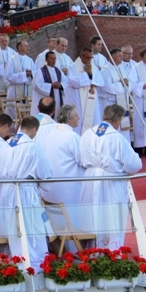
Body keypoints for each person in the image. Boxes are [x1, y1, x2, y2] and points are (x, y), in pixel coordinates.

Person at [80, 104, 142, 249]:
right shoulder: (117, 138)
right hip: (111, 182)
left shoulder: (88, 133)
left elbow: (80, 156)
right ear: (118, 120)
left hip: (90, 178)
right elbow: (134, 164)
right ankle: (111, 251)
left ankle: (91, 250)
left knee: (91, 215)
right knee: (111, 217)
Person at [0, 116, 53, 269]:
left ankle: (14, 263)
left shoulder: (7, 144)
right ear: (34, 130)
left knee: (13, 229)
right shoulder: (32, 146)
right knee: (31, 229)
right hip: (25, 192)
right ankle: (32, 266)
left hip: (7, 191)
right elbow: (46, 174)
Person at [39, 105, 85, 245]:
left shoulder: (51, 133)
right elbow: (83, 160)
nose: (79, 118)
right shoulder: (72, 137)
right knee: (74, 220)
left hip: (51, 190)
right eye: (77, 115)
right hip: (69, 190)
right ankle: (74, 250)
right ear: (70, 119)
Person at [66, 48, 105, 135]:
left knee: (93, 121)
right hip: (78, 101)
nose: (89, 60)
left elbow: (100, 82)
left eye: (91, 58)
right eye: (87, 57)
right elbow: (73, 82)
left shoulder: (94, 68)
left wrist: (90, 75)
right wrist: (86, 73)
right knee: (79, 123)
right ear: (81, 56)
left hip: (91, 99)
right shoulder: (72, 67)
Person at [5, 39, 35, 117]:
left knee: (27, 113)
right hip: (15, 90)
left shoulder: (30, 60)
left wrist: (31, 73)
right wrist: (24, 75)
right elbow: (9, 76)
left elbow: (36, 73)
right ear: (19, 47)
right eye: (25, 46)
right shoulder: (11, 60)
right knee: (14, 114)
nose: (28, 48)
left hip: (27, 90)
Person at [32, 51, 66, 116]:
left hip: (58, 98)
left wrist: (61, 85)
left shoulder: (58, 71)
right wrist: (51, 86)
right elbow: (37, 84)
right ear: (46, 59)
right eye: (51, 58)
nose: (54, 60)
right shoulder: (41, 71)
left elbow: (66, 82)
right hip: (46, 97)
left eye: (55, 58)